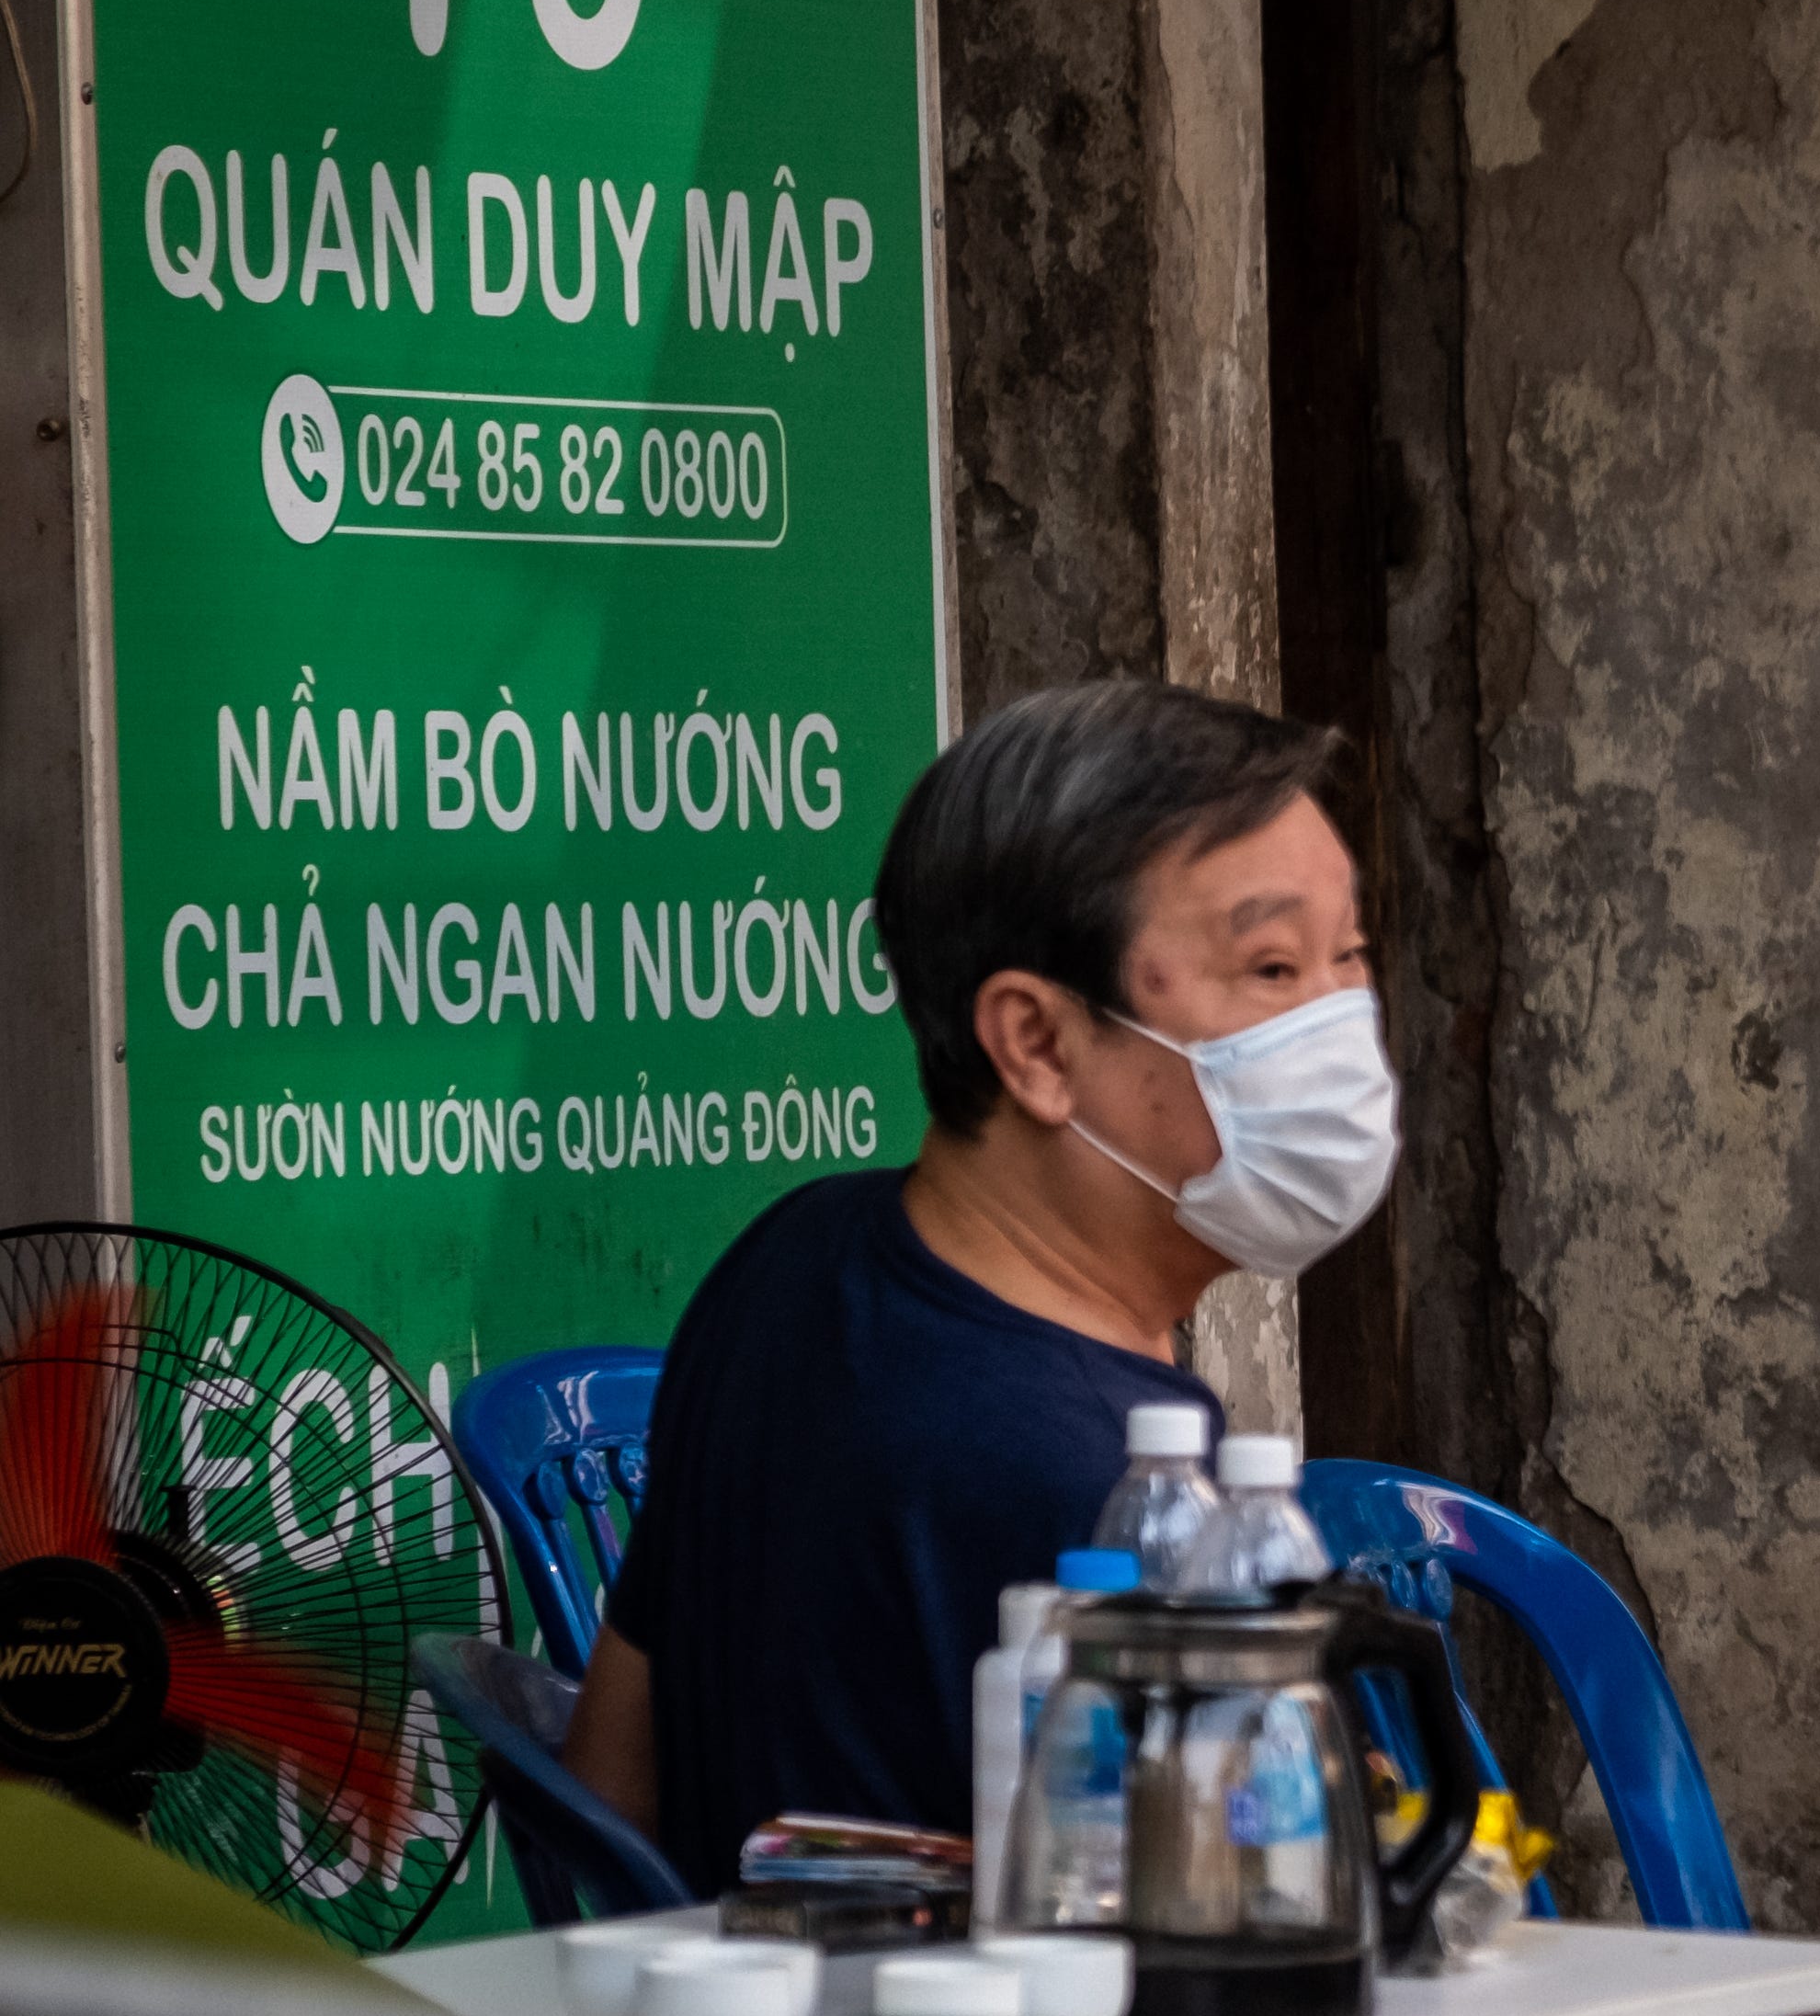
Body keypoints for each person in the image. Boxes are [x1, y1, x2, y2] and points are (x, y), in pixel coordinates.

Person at [568, 681, 1397, 1897]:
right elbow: (1275, 1953)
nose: (1339, 1024)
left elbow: (609, 1775)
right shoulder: (1096, 1492)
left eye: (1349, 955)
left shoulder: (797, 1254)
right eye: (1272, 967)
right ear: (1038, 1044)